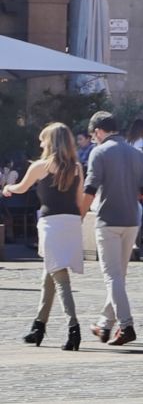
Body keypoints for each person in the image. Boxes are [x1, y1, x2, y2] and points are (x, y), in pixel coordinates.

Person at [80, 111, 143, 346]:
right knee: (119, 276)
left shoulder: (99, 152)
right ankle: (104, 325)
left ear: (98, 131)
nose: (94, 138)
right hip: (132, 221)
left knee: (112, 276)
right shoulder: (136, 154)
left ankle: (126, 325)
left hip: (108, 221)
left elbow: (90, 189)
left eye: (93, 134)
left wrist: (78, 218)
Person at [2, 123, 84, 351]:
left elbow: (21, 187)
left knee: (60, 278)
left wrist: (7, 188)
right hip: (71, 223)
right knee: (48, 276)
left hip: (52, 224)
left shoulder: (42, 166)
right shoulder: (76, 167)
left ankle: (74, 328)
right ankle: (38, 327)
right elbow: (79, 201)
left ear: (51, 142)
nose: (40, 144)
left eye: (43, 140)